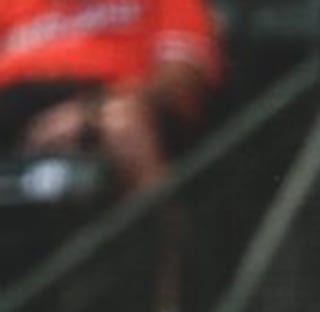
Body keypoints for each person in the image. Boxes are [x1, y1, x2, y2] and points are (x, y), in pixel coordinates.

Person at [0, 0, 220, 191]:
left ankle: (168, 234)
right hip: (12, 116)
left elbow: (181, 82)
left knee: (122, 123)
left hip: (105, 111)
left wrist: (89, 113)